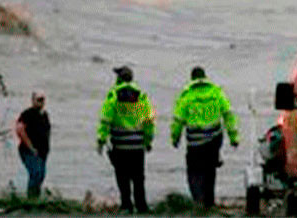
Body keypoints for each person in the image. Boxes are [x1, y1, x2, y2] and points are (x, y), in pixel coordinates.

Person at [171, 66, 240, 208]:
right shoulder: (216, 93)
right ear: (205, 77)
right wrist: (234, 137)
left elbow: (178, 120)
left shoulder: (187, 96)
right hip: (214, 140)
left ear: (192, 79)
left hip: (195, 143)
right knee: (210, 172)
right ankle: (210, 202)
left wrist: (175, 138)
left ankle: (198, 200)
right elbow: (228, 114)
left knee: (194, 172)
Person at [96, 66, 155, 214]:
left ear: (119, 79)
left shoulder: (113, 96)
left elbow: (105, 120)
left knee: (122, 177)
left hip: (120, 145)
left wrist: (101, 140)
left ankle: (126, 205)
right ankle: (142, 206)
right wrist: (148, 141)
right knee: (138, 177)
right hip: (137, 144)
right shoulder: (141, 96)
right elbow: (149, 121)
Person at [16, 90, 51, 199]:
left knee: (41, 175)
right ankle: (31, 198)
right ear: (33, 101)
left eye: (42, 100)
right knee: (35, 173)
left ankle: (36, 196)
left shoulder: (45, 115)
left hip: (42, 152)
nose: (41, 102)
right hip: (28, 150)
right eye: (38, 100)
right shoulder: (27, 114)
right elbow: (19, 130)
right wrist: (30, 146)